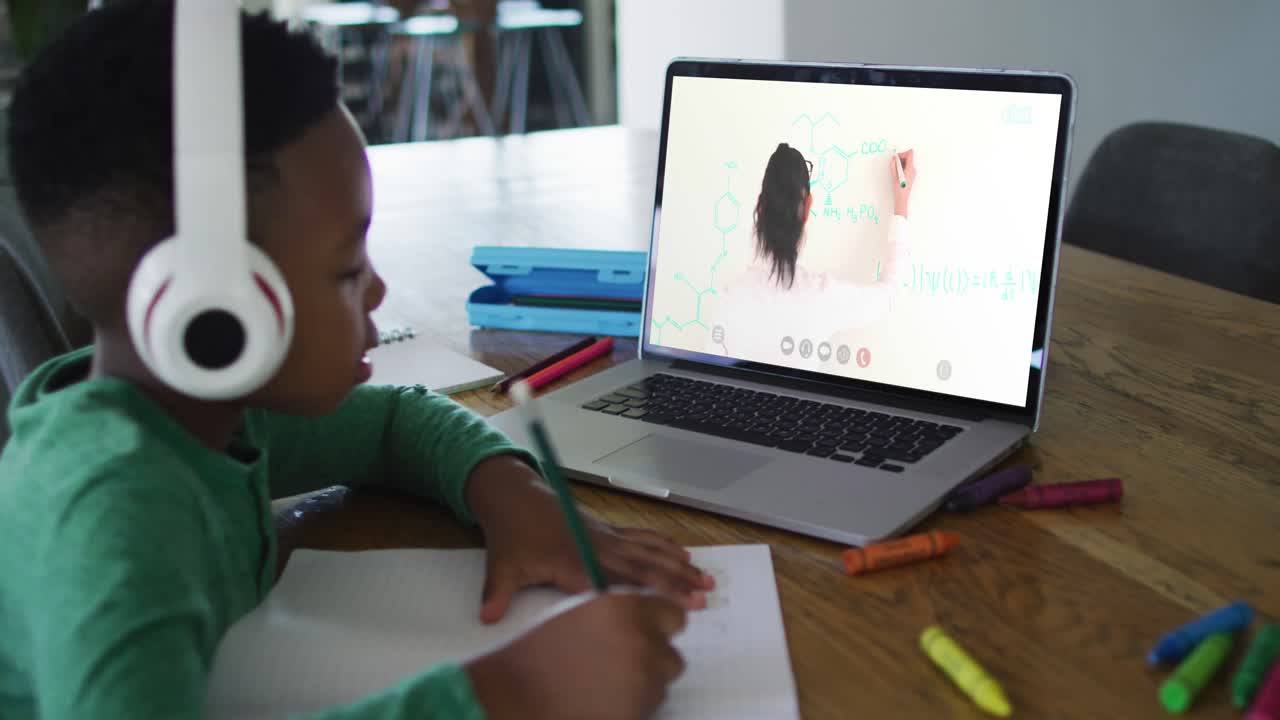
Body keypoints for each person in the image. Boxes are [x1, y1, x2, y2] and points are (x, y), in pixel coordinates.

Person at [0, 3, 712, 719]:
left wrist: (515, 499)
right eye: (346, 270)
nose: (376, 288)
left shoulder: (202, 417)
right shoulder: (114, 523)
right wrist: (510, 694)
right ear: (214, 312)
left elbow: (392, 422)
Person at [708, 142, 916, 362]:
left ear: (759, 208)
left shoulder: (729, 301)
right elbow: (889, 296)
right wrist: (901, 200)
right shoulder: (822, 296)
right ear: (807, 208)